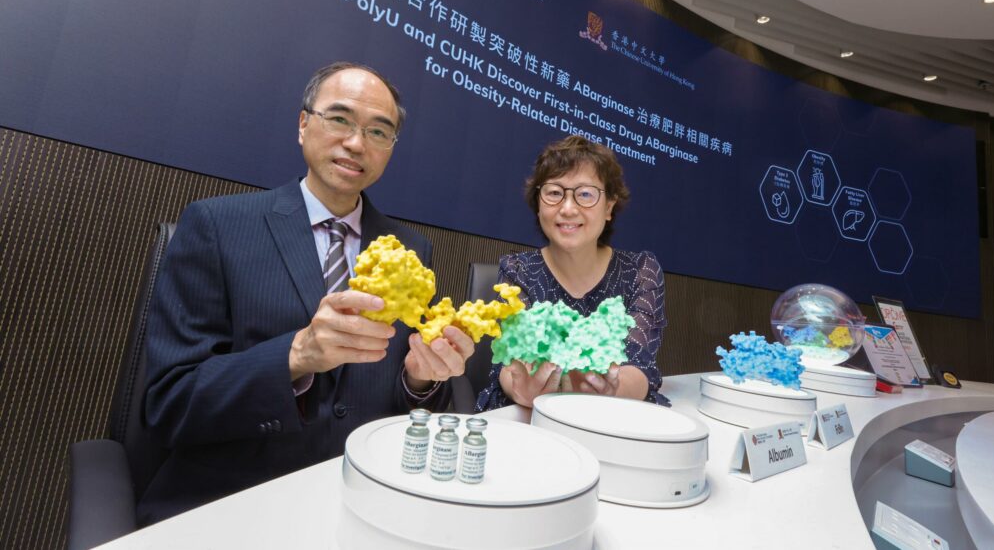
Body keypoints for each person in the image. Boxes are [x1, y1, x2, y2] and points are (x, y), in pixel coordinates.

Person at [139, 62, 474, 524]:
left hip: (364, 497)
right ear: (303, 124)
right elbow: (168, 403)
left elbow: (402, 405)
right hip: (239, 500)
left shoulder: (411, 250)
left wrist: (419, 379)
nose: (356, 143)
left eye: (379, 132)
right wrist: (297, 355)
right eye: (340, 119)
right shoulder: (217, 226)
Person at [476, 135, 669, 411]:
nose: (567, 209)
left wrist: (611, 391)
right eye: (555, 193)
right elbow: (508, 365)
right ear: (539, 204)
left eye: (585, 194)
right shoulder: (517, 270)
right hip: (532, 417)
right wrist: (522, 389)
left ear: (609, 207)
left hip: (615, 417)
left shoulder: (641, 271)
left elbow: (641, 365)